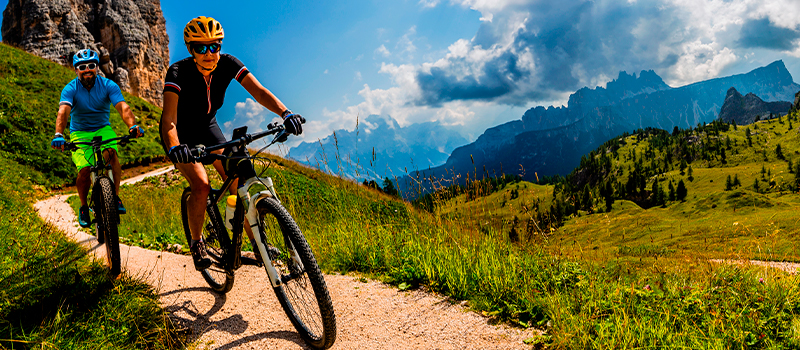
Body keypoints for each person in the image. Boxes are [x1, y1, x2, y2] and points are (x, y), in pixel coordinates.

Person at [160, 16, 304, 270]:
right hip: (181, 135)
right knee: (202, 185)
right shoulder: (178, 72)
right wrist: (175, 147)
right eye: (201, 47)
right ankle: (197, 243)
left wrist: (286, 113)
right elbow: (169, 119)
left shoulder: (227, 63)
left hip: (208, 127)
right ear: (190, 49)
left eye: (214, 46)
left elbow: (259, 92)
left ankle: (258, 244)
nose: (209, 53)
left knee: (240, 183)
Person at [52, 49, 145, 228]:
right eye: (82, 67)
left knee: (111, 153)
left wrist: (132, 126)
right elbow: (63, 112)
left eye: (91, 66)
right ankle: (84, 207)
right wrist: (59, 135)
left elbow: (122, 107)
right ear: (76, 70)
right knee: (85, 169)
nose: (87, 69)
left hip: (103, 129)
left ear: (96, 67)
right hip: (80, 132)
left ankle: (115, 197)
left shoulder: (109, 85)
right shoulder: (70, 89)